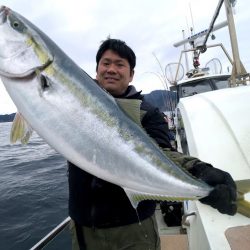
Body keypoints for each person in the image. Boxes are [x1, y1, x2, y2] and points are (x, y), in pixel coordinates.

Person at [68, 38, 237, 250]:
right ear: (96, 70)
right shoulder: (74, 106)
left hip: (133, 229)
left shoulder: (147, 113)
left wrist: (198, 169)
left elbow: (164, 153)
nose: (111, 69)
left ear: (131, 75)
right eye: (106, 63)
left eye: (120, 64)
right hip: (83, 229)